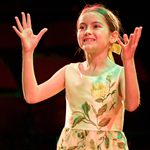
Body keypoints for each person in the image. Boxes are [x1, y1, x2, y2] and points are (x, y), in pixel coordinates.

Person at [12, 3, 142, 150]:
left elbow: (132, 105)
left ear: (112, 36)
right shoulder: (70, 71)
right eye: (82, 27)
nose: (87, 31)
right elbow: (32, 96)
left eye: (96, 26)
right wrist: (27, 53)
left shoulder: (119, 73)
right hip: (72, 145)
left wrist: (129, 61)